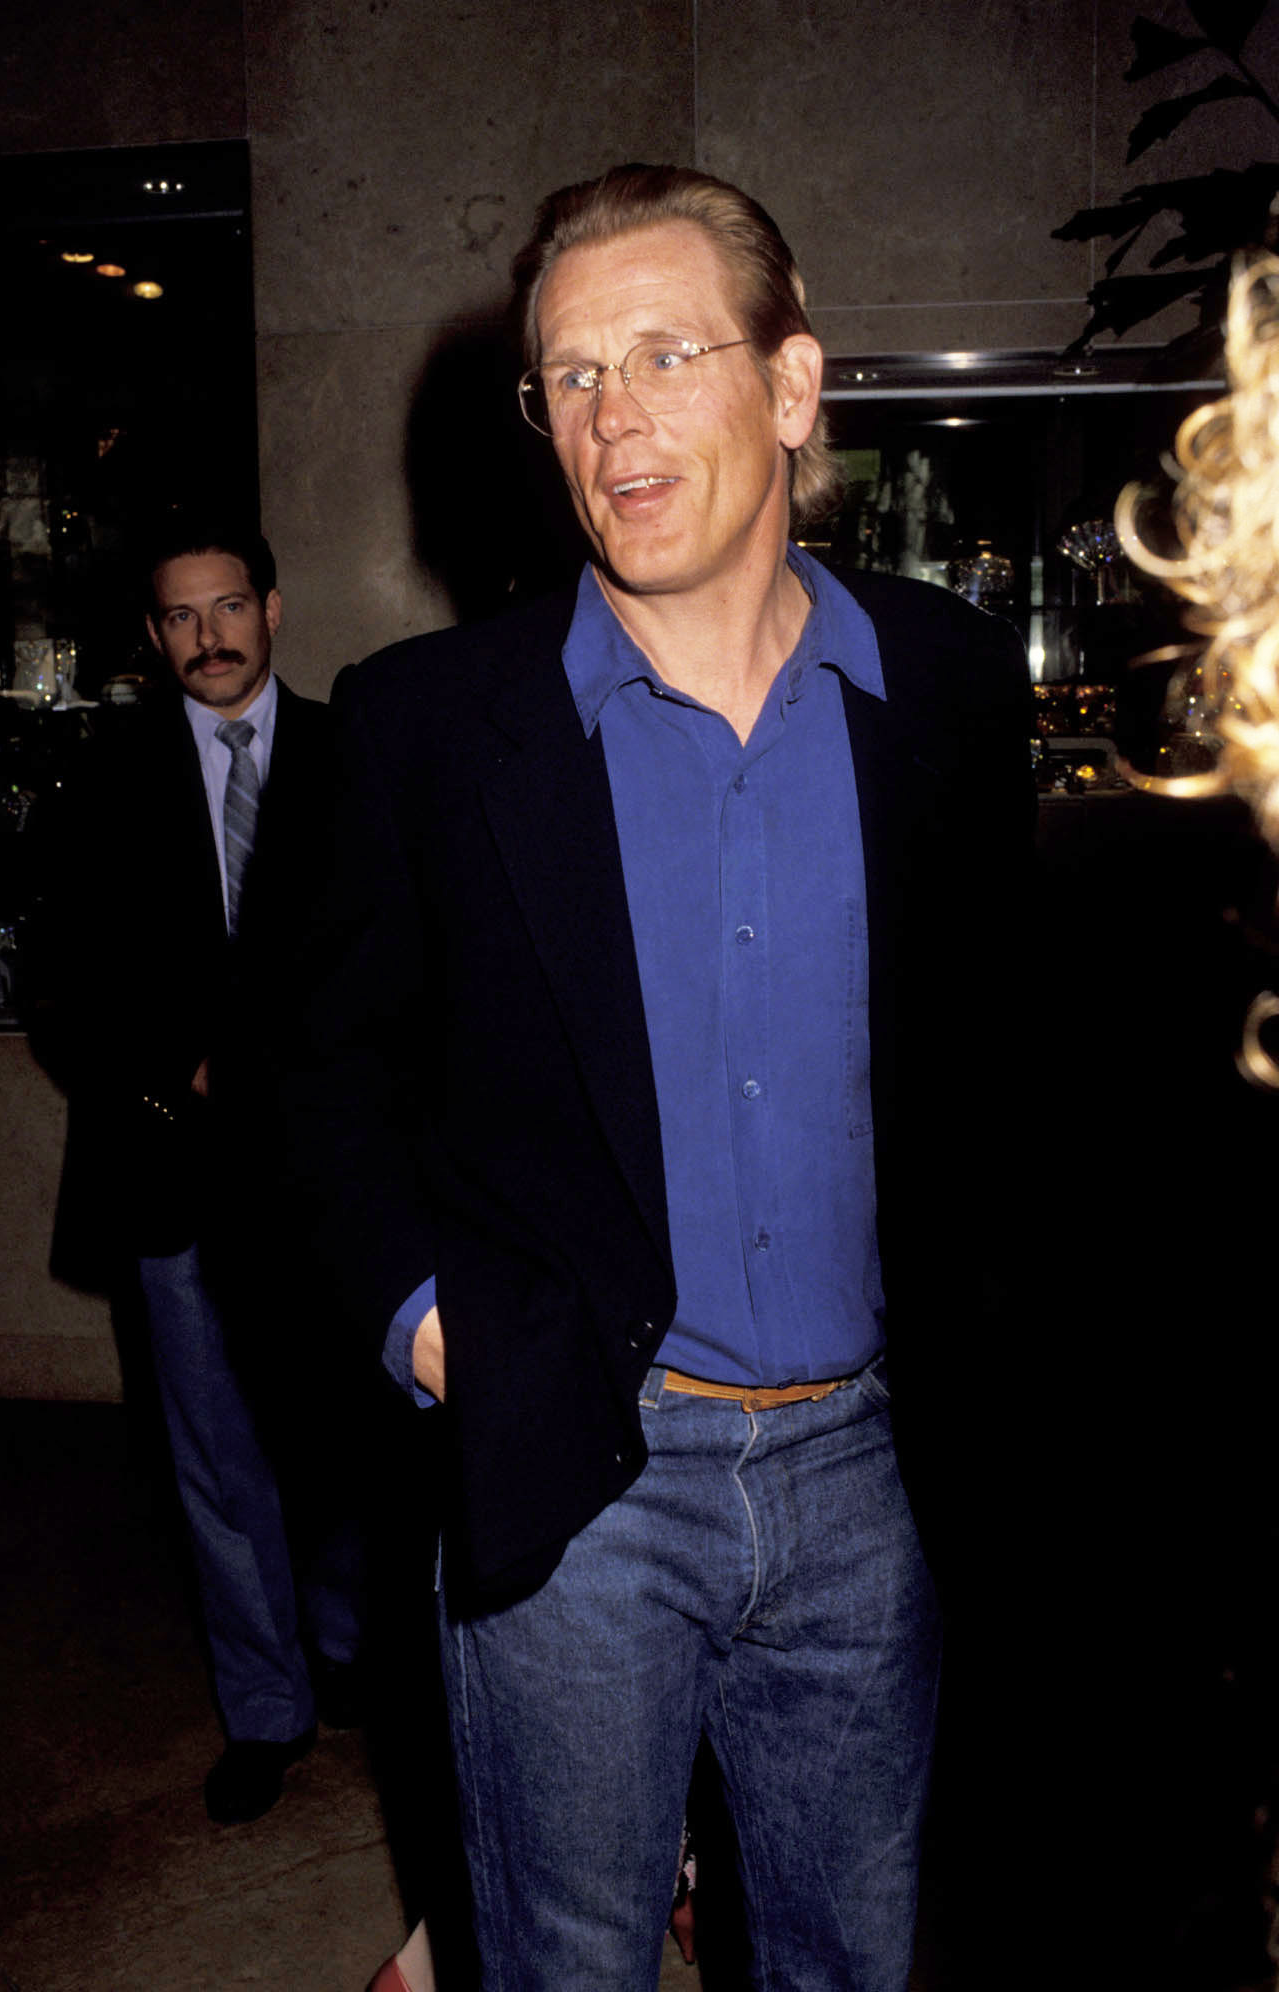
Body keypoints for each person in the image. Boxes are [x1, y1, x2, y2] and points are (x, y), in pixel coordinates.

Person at [281, 164, 1035, 1990]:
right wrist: (429, 1324)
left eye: (663, 354)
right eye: (568, 377)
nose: (610, 416)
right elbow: (317, 1079)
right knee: (571, 1959)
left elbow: (1002, 1060)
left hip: (877, 1468)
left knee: (850, 1955)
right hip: (586, 1462)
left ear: (791, 390)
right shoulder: (423, 728)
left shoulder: (940, 681)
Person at [28, 516, 363, 1825]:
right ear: (153, 634)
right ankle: (267, 1710)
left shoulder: (353, 756)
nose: (208, 638)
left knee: (344, 1448)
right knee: (217, 1463)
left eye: (228, 608)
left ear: (272, 610)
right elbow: (62, 987)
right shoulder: (99, 777)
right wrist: (182, 1071)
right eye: (180, 617)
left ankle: (348, 1652)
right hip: (172, 1168)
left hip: (332, 1184)